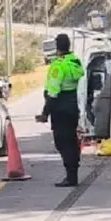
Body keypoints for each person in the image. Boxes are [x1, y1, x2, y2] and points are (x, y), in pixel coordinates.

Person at [35, 33, 85, 187]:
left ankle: (70, 177)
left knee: (62, 143)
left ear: (57, 47)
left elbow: (53, 92)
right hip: (73, 108)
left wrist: (45, 113)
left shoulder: (58, 65)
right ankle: (73, 173)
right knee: (71, 141)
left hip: (60, 110)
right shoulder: (75, 61)